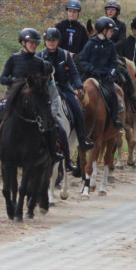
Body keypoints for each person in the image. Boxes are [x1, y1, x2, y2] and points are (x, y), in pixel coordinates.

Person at [0, 28, 59, 165]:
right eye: (31, 43)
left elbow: (43, 83)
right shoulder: (13, 59)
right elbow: (3, 78)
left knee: (51, 122)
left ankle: (53, 152)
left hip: (33, 102)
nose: (34, 45)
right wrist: (14, 81)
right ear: (23, 43)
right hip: (12, 98)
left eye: (36, 43)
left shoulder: (39, 63)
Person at [39, 27, 94, 171]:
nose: (51, 43)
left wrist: (79, 86)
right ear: (45, 41)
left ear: (58, 41)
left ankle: (82, 140)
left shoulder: (64, 55)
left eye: (54, 40)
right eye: (49, 40)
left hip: (64, 88)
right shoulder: (40, 56)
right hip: (46, 90)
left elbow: (74, 73)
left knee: (78, 111)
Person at [80, 17, 124, 130]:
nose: (113, 33)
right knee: (77, 93)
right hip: (90, 76)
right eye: (111, 30)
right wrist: (91, 69)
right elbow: (82, 60)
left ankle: (115, 118)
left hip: (105, 78)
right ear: (103, 30)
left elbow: (113, 63)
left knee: (113, 94)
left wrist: (111, 74)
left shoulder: (110, 45)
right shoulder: (90, 43)